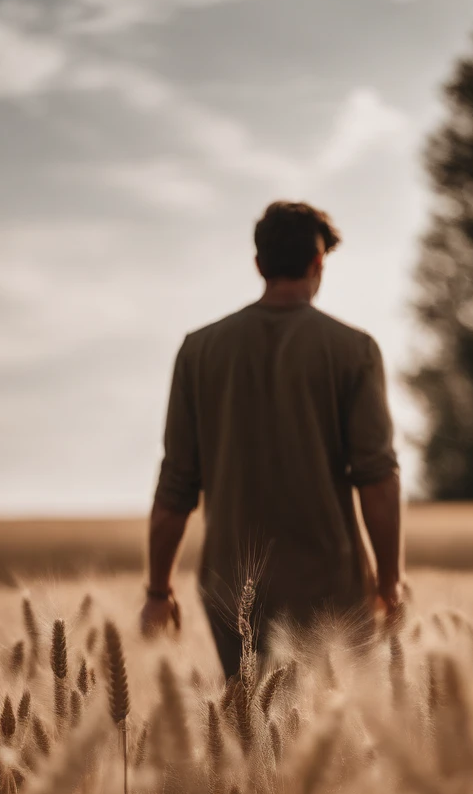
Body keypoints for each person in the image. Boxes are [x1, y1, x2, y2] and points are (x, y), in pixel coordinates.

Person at [140, 201, 403, 678]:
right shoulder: (353, 350)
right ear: (318, 263)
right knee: (336, 741)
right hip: (333, 588)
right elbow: (378, 479)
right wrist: (390, 581)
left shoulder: (198, 351)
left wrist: (158, 593)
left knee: (251, 740)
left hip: (230, 590)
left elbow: (176, 486)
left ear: (259, 264)